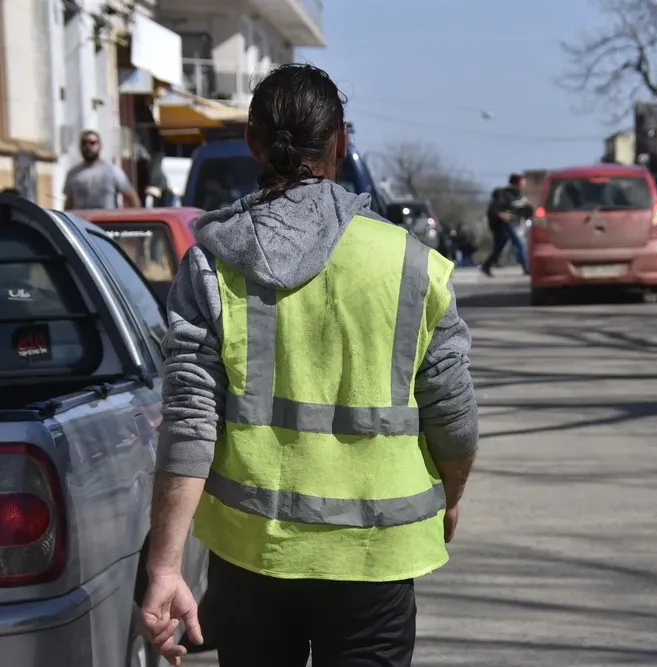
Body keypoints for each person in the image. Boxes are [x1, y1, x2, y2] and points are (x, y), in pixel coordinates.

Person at [140, 63, 479, 667]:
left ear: (252, 142)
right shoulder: (412, 266)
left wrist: (165, 568)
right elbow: (453, 414)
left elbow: (191, 424)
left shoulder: (211, 266)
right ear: (341, 143)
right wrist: (450, 492)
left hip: (253, 560)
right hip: (374, 559)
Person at [64, 130, 141, 209]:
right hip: (79, 220)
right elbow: (69, 204)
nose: (88, 147)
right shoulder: (73, 174)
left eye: (92, 143)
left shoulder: (113, 171)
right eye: (84, 143)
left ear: (100, 146)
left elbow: (132, 199)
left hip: (107, 220)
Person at [480, 173, 532, 277]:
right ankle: (526, 268)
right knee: (519, 244)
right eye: (522, 183)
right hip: (502, 224)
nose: (523, 185)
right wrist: (501, 214)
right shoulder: (503, 194)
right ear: (515, 184)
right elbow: (494, 208)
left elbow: (527, 211)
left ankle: (486, 265)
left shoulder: (521, 196)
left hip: (512, 222)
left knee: (500, 247)